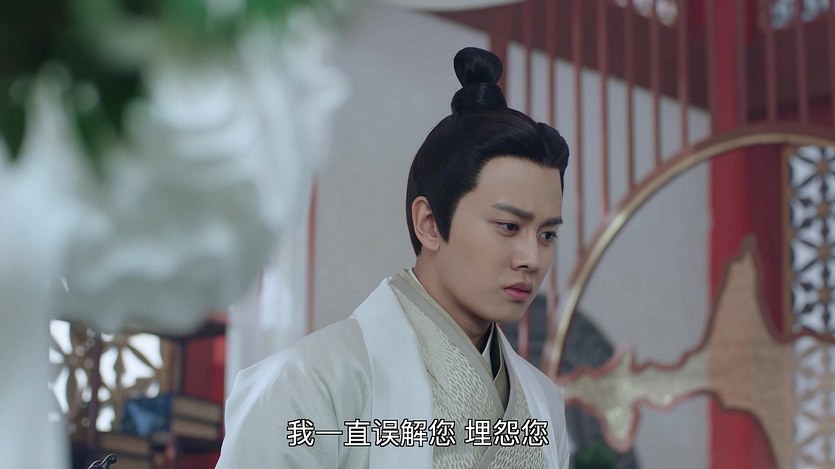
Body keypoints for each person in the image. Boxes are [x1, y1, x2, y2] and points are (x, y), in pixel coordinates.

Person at [216, 47, 571, 468]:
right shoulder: (311, 383)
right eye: (509, 227)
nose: (532, 258)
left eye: (547, 234)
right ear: (429, 223)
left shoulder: (543, 401)